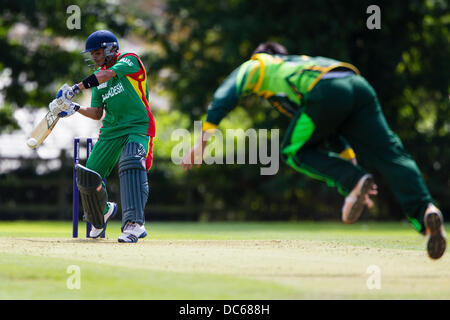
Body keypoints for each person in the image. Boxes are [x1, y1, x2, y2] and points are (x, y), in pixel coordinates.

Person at [181, 42, 446, 259]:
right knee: (392, 154)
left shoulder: (259, 64)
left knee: (292, 152)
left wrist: (202, 142)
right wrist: (353, 171)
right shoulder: (300, 68)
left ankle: (353, 182)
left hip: (325, 89)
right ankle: (426, 212)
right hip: (356, 84)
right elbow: (328, 130)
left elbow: (225, 94)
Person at [49, 30, 155, 243]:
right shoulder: (98, 79)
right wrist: (74, 107)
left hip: (137, 125)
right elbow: (97, 113)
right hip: (111, 130)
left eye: (97, 53)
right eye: (92, 54)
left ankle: (134, 224)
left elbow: (107, 75)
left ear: (111, 49)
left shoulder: (129, 61)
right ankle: (101, 213)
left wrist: (76, 88)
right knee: (88, 176)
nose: (95, 58)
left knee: (131, 161)